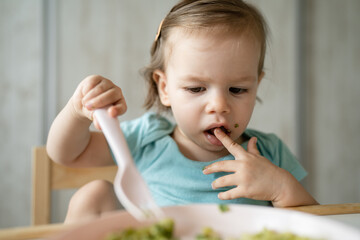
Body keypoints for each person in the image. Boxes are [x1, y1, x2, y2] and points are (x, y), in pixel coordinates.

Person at [47, 0, 318, 224]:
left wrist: (280, 187)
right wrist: (76, 110)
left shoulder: (267, 154)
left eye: (237, 89)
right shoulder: (146, 140)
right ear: (164, 88)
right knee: (93, 195)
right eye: (197, 89)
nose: (219, 105)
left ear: (256, 85)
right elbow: (68, 154)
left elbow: (320, 224)